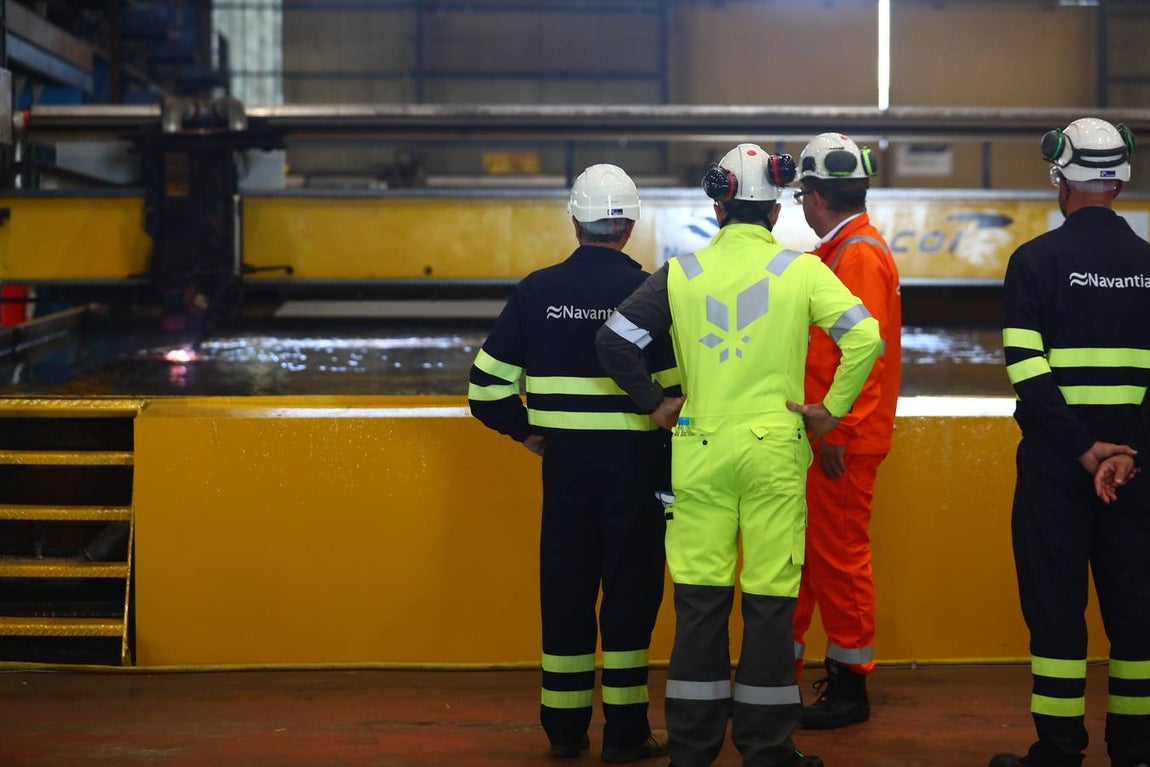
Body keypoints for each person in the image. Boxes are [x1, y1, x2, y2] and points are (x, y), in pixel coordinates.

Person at [596, 143, 883, 767]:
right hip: (774, 454)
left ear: (718, 205)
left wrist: (654, 402)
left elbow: (614, 340)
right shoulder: (803, 271)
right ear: (775, 213)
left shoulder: (681, 273)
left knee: (701, 602)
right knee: (770, 602)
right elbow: (865, 337)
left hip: (699, 451)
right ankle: (766, 746)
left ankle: (694, 748)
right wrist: (828, 410)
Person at [468, 164, 676, 763]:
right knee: (631, 594)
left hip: (564, 469)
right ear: (629, 223)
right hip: (636, 468)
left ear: (576, 220)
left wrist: (527, 431)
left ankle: (563, 731)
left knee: (565, 591)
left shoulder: (537, 290)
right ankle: (626, 731)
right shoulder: (654, 290)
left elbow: (485, 391)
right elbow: (673, 393)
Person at [991, 117, 1150, 767]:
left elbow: (1027, 374)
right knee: (1137, 614)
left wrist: (1086, 452)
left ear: (1061, 176)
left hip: (1058, 471)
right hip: (1138, 473)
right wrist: (1126, 452)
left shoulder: (1034, 262)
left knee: (1057, 610)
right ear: (1121, 179)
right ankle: (1136, 749)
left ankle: (1058, 750)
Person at [789, 133, 902, 730]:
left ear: (813, 197)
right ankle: (783, 676)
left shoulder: (856, 255)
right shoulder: (841, 252)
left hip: (842, 441)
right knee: (812, 558)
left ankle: (850, 688)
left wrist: (836, 430)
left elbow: (866, 353)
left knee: (838, 557)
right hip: (831, 436)